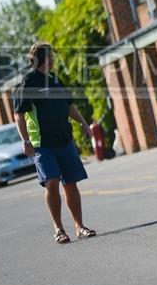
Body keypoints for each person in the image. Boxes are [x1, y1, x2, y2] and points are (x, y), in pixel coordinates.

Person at [13, 43, 97, 244]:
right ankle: (59, 229)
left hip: (64, 139)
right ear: (43, 58)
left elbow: (69, 106)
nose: (54, 59)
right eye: (51, 55)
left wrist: (84, 123)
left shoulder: (55, 80)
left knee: (71, 182)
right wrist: (25, 140)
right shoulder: (27, 83)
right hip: (42, 144)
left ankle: (79, 226)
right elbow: (19, 115)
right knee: (51, 182)